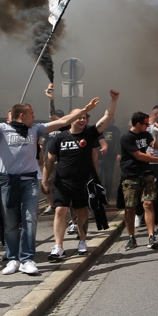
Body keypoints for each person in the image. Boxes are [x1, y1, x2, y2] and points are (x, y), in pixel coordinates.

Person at [0, 97, 99, 275]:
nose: (34, 116)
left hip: (29, 182)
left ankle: (27, 259)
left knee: (29, 220)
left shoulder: (35, 129)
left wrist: (84, 110)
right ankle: (13, 259)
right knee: (10, 223)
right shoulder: (0, 129)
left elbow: (63, 121)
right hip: (7, 182)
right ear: (21, 115)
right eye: (31, 114)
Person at [43, 90, 118, 261]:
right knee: (60, 211)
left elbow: (106, 117)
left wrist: (113, 100)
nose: (83, 119)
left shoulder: (90, 134)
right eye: (79, 117)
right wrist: (45, 180)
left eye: (85, 117)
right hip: (62, 182)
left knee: (82, 210)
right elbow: (49, 161)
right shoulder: (59, 138)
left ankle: (82, 241)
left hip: (83, 181)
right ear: (71, 119)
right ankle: (58, 247)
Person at [120, 111, 158, 250]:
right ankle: (132, 237)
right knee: (130, 207)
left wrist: (157, 133)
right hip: (130, 175)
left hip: (146, 173)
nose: (147, 126)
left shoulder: (146, 134)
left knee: (148, 203)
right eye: (146, 124)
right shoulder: (126, 137)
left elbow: (154, 146)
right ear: (138, 124)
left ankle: (151, 236)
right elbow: (139, 156)